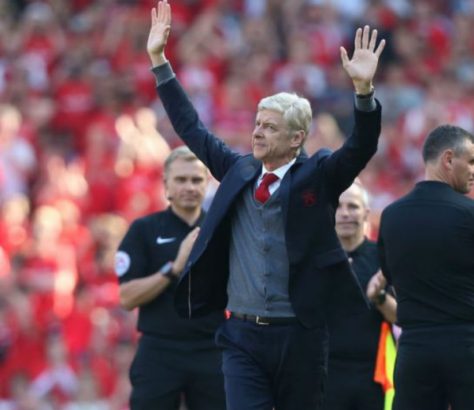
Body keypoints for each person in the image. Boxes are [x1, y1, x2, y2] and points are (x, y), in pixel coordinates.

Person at [147, 2, 385, 409]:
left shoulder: (318, 176)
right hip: (241, 335)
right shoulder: (237, 170)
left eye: (270, 127)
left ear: (296, 139)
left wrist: (363, 93)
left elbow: (360, 147)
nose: (257, 132)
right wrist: (159, 62)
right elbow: (191, 127)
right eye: (258, 123)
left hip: (300, 336)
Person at [115, 146, 226, 410]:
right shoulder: (143, 230)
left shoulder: (222, 230)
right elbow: (127, 297)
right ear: (166, 185)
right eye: (181, 179)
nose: (189, 187)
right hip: (159, 350)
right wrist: (174, 269)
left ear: (207, 184)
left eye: (196, 180)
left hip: (211, 349)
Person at [377, 124, 474, 410]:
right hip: (466, 346)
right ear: (448, 159)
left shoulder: (391, 216)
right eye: (470, 161)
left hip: (414, 350)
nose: (473, 170)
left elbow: (390, 276)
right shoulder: (469, 214)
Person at [324, 181, 397, 410]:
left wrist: (379, 297)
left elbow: (402, 317)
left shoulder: (382, 257)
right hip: (325, 375)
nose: (345, 213)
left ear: (366, 213)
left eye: (353, 206)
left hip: (372, 376)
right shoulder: (317, 259)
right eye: (338, 206)